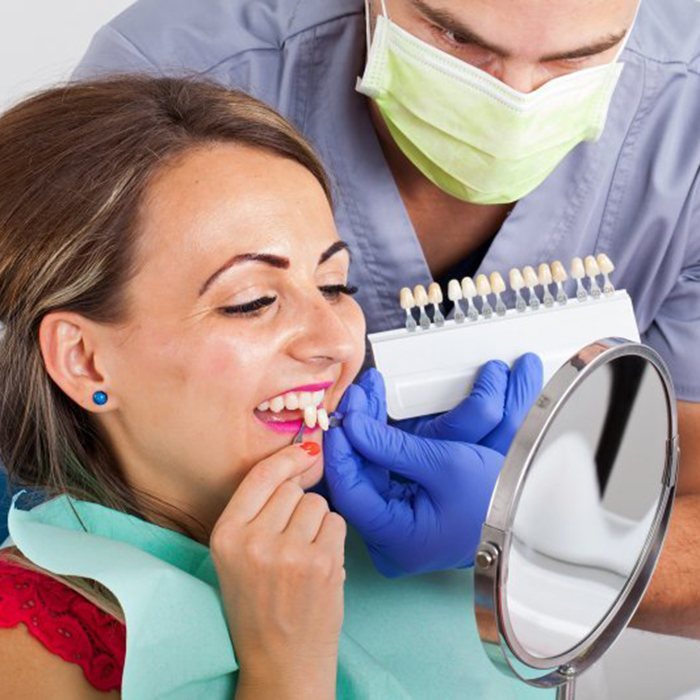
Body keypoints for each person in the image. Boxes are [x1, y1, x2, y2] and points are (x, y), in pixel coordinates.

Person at [73, 0, 700, 638]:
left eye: (576, 58)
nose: (515, 100)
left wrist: (537, 538)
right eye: (455, 36)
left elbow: (683, 469)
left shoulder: (685, 104)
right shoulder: (179, 75)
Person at [0, 76, 543, 698]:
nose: (336, 343)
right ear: (86, 361)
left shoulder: (392, 536)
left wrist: (519, 555)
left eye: (335, 285)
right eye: (252, 301)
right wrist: (286, 667)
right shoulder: (28, 646)